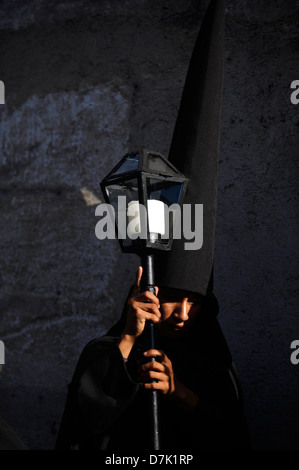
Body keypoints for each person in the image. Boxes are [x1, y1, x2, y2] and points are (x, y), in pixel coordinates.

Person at [55, 266, 250, 450]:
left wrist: (177, 391)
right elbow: (83, 428)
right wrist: (129, 337)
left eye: (194, 302)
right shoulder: (104, 351)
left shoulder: (213, 362)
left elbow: (231, 436)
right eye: (172, 298)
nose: (182, 314)